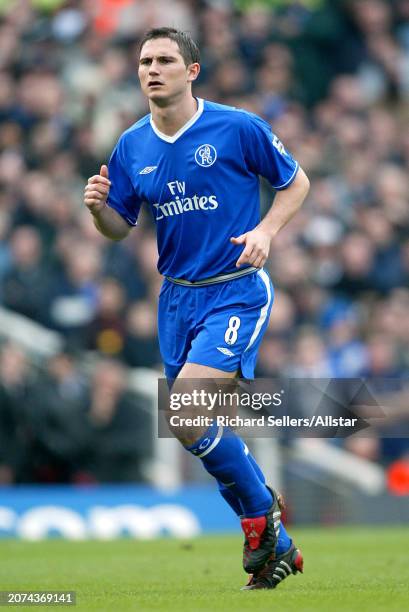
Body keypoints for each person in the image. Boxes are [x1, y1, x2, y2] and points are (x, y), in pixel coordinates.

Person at [84, 27, 310, 590]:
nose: (151, 69)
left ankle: (259, 513)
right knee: (189, 426)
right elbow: (119, 226)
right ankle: (276, 541)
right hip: (175, 298)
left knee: (185, 413)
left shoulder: (236, 127)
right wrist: (96, 212)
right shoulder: (131, 145)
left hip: (235, 287)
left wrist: (266, 231)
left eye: (164, 60)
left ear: (192, 70)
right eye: (143, 61)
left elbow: (296, 181)